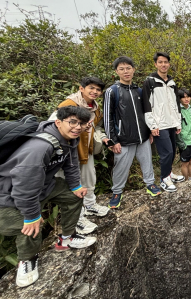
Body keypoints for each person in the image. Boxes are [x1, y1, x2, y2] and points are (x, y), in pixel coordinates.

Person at [0, 106, 96, 287]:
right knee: (28, 225)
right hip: (8, 195)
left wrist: (75, 186)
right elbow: (24, 184)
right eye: (72, 122)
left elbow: (71, 164)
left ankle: (66, 238)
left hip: (42, 186)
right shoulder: (41, 147)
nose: (77, 127)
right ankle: (27, 259)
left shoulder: (69, 139)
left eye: (81, 124)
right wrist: (31, 216)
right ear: (58, 122)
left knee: (73, 196)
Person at [49, 77, 109, 235]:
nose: (94, 92)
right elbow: (52, 126)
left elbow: (95, 128)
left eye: (98, 90)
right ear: (81, 88)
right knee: (72, 184)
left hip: (85, 149)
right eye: (91, 88)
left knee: (90, 178)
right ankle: (77, 218)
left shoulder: (95, 108)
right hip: (68, 152)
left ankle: (90, 205)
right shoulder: (68, 105)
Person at [104, 56, 161, 209]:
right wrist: (112, 140)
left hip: (142, 136)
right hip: (123, 139)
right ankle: (117, 192)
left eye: (128, 68)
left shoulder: (140, 91)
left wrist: (149, 132)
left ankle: (150, 184)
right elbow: (107, 118)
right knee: (121, 166)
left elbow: (146, 113)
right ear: (116, 71)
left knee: (147, 162)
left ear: (133, 69)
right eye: (121, 69)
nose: (126, 71)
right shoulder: (112, 91)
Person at [142, 52, 185, 192]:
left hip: (171, 123)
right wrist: (152, 126)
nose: (163, 65)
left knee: (172, 151)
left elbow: (176, 104)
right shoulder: (150, 82)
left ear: (169, 64)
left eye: (165, 62)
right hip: (159, 125)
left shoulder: (172, 83)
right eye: (160, 62)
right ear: (155, 64)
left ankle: (169, 173)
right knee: (166, 152)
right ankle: (163, 179)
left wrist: (178, 123)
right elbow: (146, 106)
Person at [176, 89, 191, 180]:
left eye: (188, 97)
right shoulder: (177, 111)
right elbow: (176, 129)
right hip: (185, 141)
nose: (186, 99)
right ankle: (186, 180)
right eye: (184, 97)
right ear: (179, 98)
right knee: (185, 163)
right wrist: (181, 143)